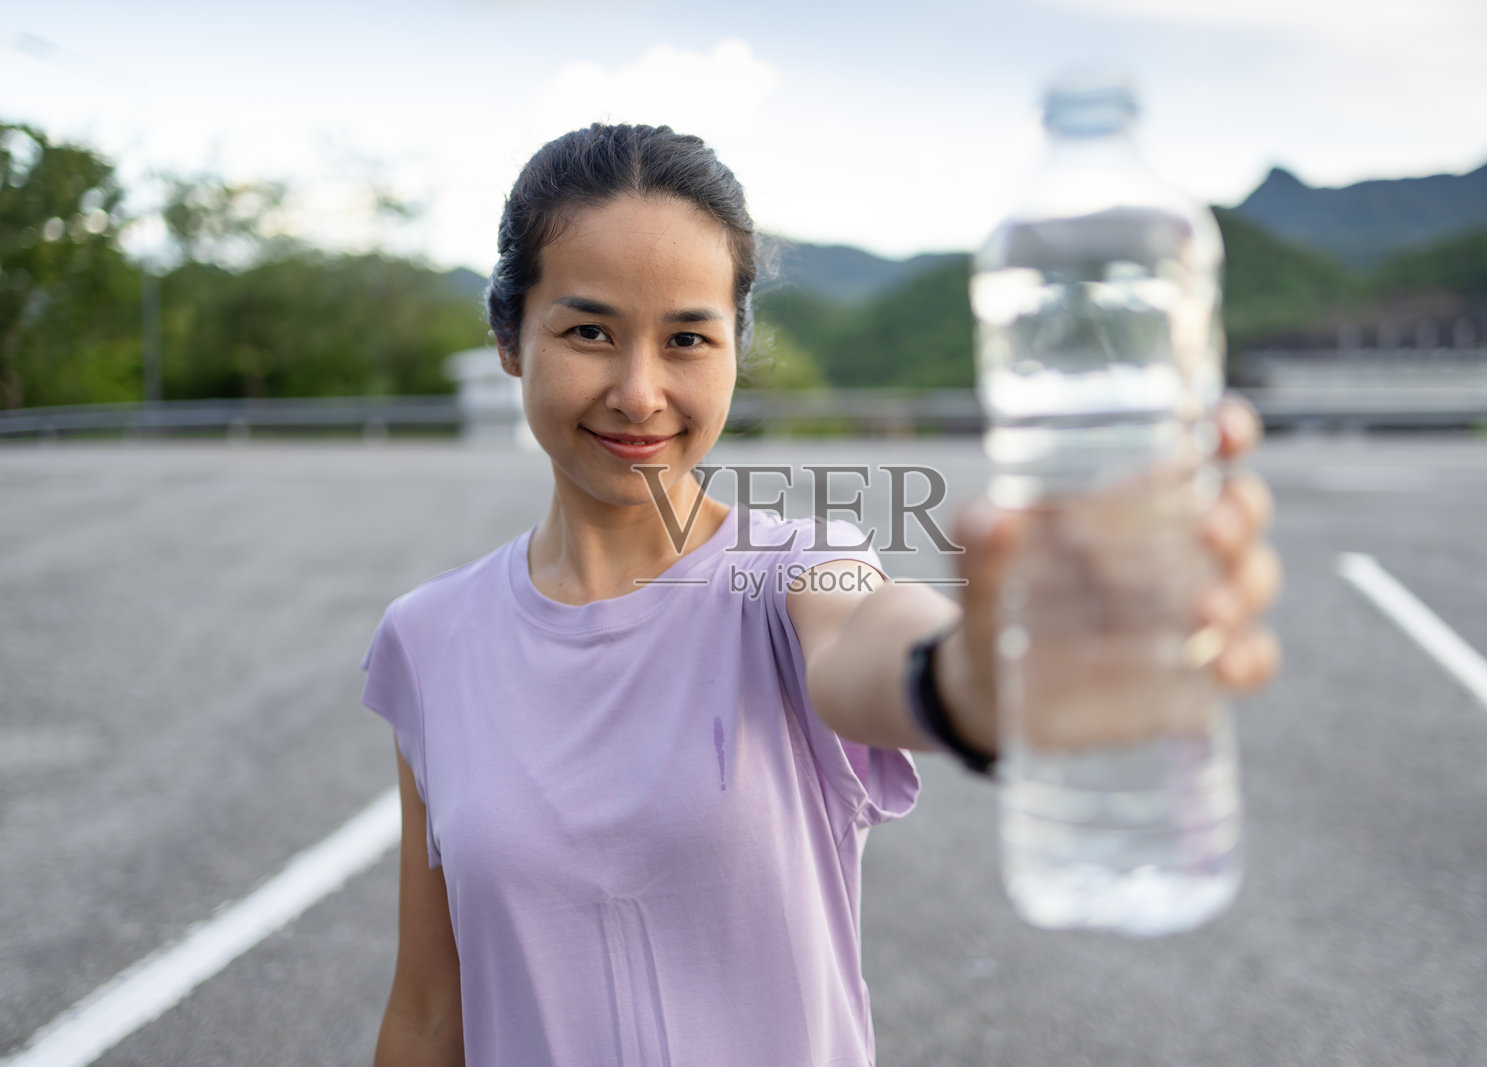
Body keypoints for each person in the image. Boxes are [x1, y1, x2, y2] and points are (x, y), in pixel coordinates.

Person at [362, 123, 1281, 1067]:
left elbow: (880, 643)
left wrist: (993, 669)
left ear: (734, 351)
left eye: (687, 338)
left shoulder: (801, 568)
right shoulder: (431, 639)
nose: (640, 393)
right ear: (511, 336)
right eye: (589, 331)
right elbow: (433, 1009)